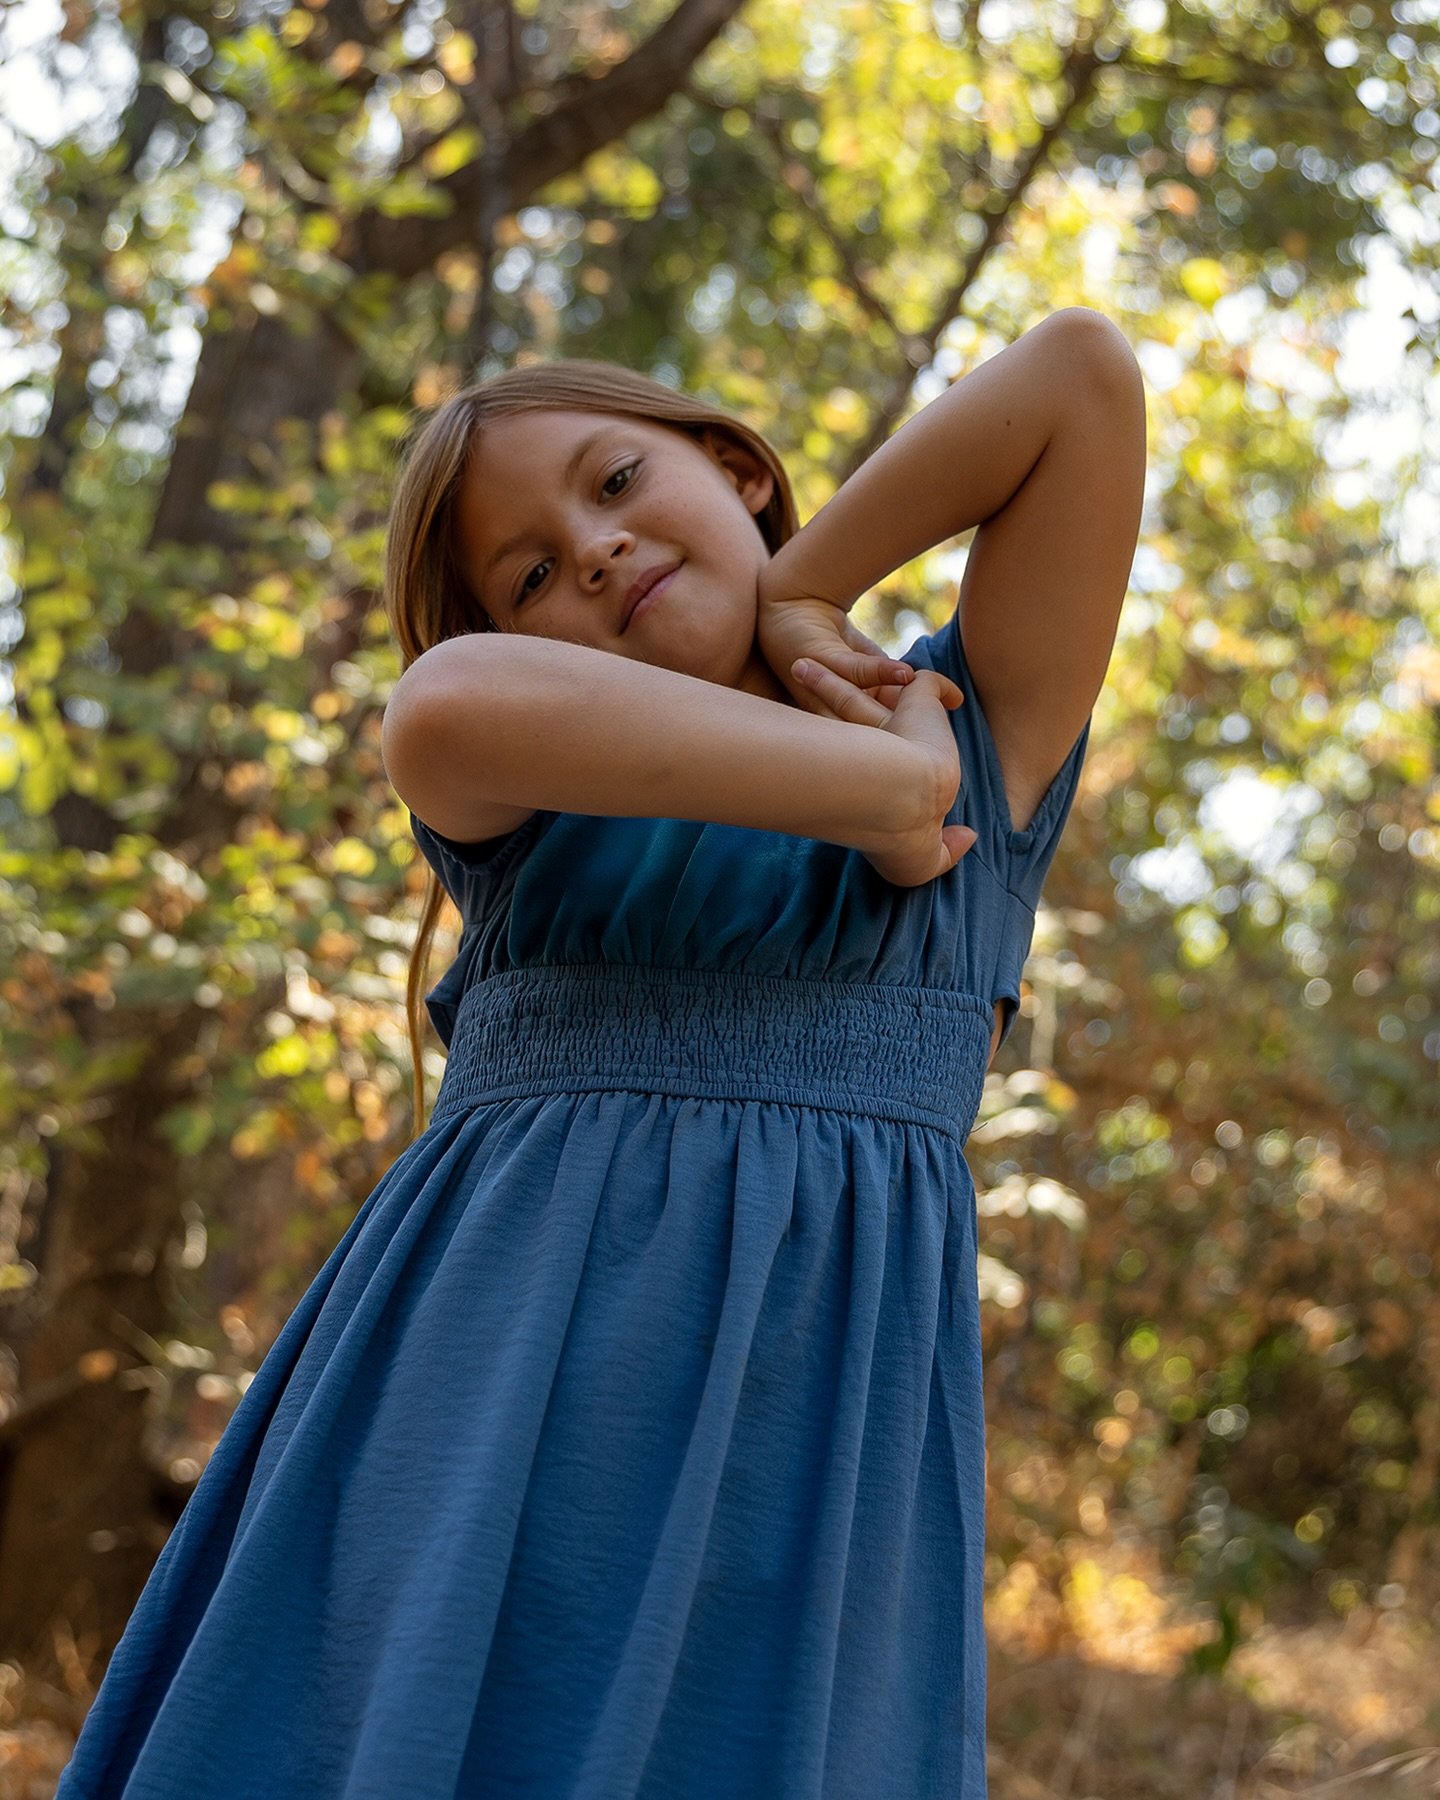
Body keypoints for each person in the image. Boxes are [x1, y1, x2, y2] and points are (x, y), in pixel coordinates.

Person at [55, 310, 1145, 1798]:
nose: (593, 551)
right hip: (487, 1410)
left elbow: (1079, 377)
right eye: (528, 574)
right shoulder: (538, 795)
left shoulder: (976, 730)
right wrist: (879, 783)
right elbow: (437, 702)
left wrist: (808, 597)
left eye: (618, 482)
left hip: (803, 1453)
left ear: (736, 468)